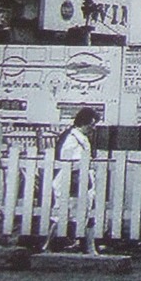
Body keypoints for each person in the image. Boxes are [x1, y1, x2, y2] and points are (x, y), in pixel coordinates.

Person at [42, 107, 100, 254]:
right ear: (83, 123)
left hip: (81, 181)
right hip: (71, 182)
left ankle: (88, 247)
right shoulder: (71, 138)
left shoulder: (81, 137)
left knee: (85, 214)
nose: (93, 128)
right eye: (91, 124)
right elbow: (68, 162)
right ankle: (48, 245)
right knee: (62, 214)